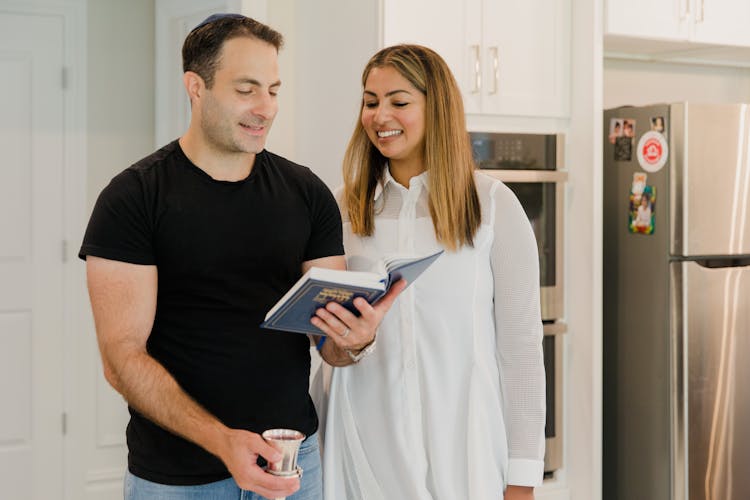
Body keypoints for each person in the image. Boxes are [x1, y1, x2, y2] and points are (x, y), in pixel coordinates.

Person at [79, 13, 401, 500]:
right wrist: (223, 442)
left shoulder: (307, 194)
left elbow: (328, 344)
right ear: (196, 86)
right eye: (246, 89)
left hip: (291, 464)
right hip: (176, 478)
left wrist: (355, 340)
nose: (265, 108)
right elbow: (121, 357)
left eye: (273, 90)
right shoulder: (133, 198)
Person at [317, 44, 546, 500]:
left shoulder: (493, 205)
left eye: (399, 102)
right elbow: (326, 342)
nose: (381, 115)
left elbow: (520, 351)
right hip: (361, 441)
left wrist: (523, 477)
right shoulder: (343, 207)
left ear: (436, 107)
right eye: (370, 102)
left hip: (464, 446)